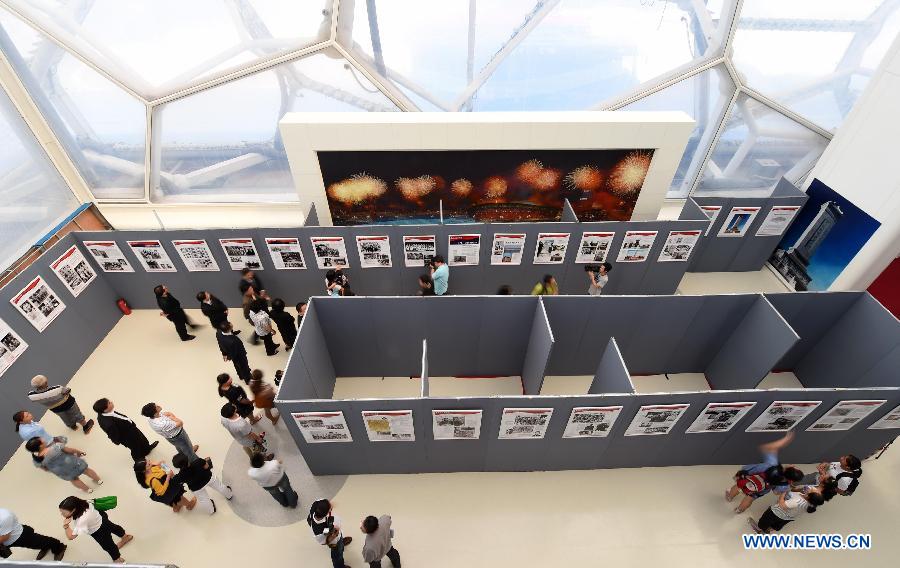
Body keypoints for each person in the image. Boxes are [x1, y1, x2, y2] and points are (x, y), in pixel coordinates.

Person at [725, 432, 799, 513]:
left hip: (749, 479)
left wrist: (786, 439)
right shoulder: (785, 484)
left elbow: (767, 449)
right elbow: (775, 492)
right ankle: (739, 510)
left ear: (788, 469)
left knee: (738, 486)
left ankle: (729, 497)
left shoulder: (773, 464)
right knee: (749, 498)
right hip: (761, 489)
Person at [59, 496, 132, 563]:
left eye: (63, 512)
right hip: (102, 518)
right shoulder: (86, 502)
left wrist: (66, 526)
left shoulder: (81, 520)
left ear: (74, 510)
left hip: (98, 531)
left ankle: (118, 559)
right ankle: (126, 537)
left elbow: (71, 536)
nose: (62, 514)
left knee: (109, 546)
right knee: (114, 527)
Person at [26, 437, 103, 493]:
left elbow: (45, 469)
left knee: (74, 479)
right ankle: (98, 480)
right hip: (74, 463)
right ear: (41, 445)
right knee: (86, 470)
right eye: (42, 440)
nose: (44, 439)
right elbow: (70, 450)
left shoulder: (36, 460)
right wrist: (79, 452)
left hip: (62, 471)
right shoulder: (56, 446)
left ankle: (87, 489)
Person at [92, 399, 158, 461]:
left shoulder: (107, 411)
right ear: (105, 410)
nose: (111, 402)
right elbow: (114, 436)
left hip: (132, 429)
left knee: (143, 440)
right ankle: (140, 461)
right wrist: (125, 441)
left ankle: (147, 449)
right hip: (128, 438)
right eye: (109, 403)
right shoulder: (108, 424)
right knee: (136, 449)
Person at [27, 374, 94, 433]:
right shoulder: (57, 388)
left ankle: (73, 426)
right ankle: (86, 426)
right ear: (46, 382)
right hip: (69, 404)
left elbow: (32, 396)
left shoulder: (32, 396)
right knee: (76, 414)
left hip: (56, 409)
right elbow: (67, 390)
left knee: (65, 417)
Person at [748, 487, 826, 534]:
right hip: (788, 518)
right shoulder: (812, 505)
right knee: (777, 525)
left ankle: (759, 529)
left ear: (809, 496)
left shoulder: (797, 501)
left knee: (765, 520)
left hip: (776, 513)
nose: (811, 488)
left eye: (812, 490)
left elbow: (782, 505)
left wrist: (783, 494)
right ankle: (768, 530)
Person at [0, 508, 67, 561]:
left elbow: (5, 537)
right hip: (7, 541)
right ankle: (45, 547)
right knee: (38, 544)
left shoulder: (4, 517)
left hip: (20, 536)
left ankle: (59, 547)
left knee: (40, 542)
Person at [308, 499, 352, 568]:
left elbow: (324, 502)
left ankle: (341, 542)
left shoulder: (316, 504)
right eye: (330, 508)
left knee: (340, 540)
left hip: (335, 531)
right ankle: (339, 566)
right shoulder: (319, 530)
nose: (331, 507)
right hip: (333, 541)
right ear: (326, 514)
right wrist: (334, 535)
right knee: (337, 555)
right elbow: (325, 540)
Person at [798, 454, 863, 496]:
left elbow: (840, 491)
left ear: (847, 467)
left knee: (802, 493)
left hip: (820, 488)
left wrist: (825, 479)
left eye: (844, 459)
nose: (842, 457)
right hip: (816, 477)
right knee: (798, 480)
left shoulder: (845, 480)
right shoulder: (840, 463)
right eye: (845, 456)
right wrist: (826, 464)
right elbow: (831, 466)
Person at [239, 268, 266, 344]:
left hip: (258, 304)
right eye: (249, 275)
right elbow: (247, 312)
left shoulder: (252, 276)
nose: (252, 275)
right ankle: (254, 339)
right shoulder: (247, 301)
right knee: (260, 325)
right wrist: (250, 318)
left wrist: (262, 292)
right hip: (255, 315)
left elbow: (258, 283)